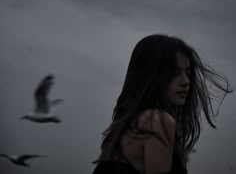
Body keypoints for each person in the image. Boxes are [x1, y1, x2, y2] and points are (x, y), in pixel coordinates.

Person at [92, 34, 232, 174]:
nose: (186, 81)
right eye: (174, 73)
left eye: (188, 73)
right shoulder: (156, 121)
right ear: (151, 76)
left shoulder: (126, 126)